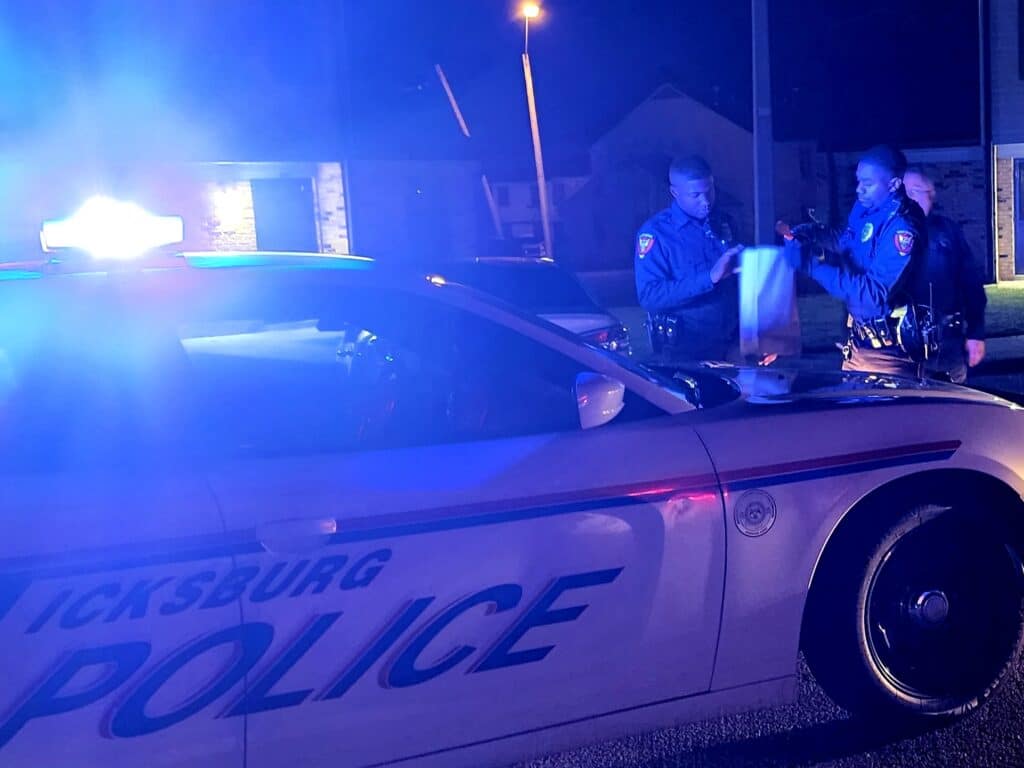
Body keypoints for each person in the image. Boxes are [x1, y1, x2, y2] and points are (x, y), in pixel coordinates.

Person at [782, 145, 928, 377]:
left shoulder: (902, 228)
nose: (859, 190)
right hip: (858, 345)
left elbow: (873, 294)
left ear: (893, 185)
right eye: (858, 181)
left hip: (888, 357)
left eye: (868, 184)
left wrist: (812, 265)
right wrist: (809, 233)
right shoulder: (865, 208)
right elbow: (846, 240)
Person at [634, 155, 741, 363]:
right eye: (696, 195)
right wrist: (709, 278)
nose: (706, 201)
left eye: (710, 190)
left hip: (731, 348)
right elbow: (650, 296)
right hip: (685, 354)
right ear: (675, 193)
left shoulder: (725, 223)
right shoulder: (657, 234)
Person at [902, 167, 987, 383]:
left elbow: (971, 284)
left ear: (931, 195)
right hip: (902, 351)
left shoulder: (948, 232)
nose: (908, 198)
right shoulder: (889, 235)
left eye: (915, 191)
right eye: (904, 191)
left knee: (952, 410)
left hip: (948, 346)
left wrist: (976, 332)